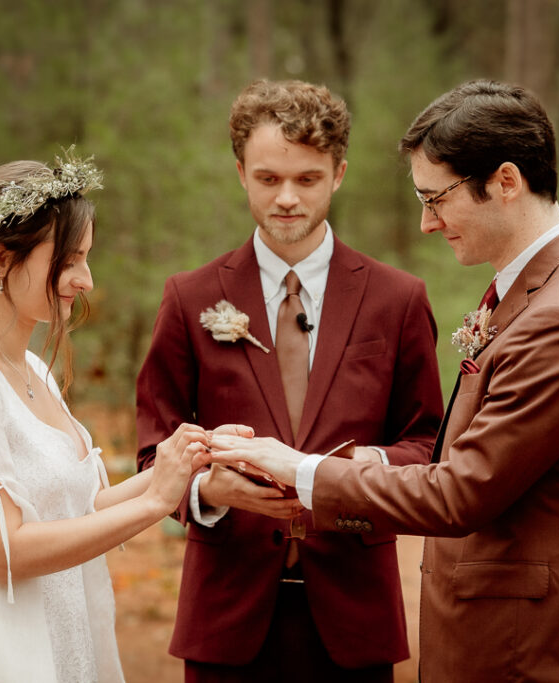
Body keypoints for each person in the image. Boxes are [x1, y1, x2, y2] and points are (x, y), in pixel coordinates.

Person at [209, 79, 559, 682]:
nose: (426, 224)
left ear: (506, 182)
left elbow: (458, 492)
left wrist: (297, 467)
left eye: (436, 199)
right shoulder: (539, 289)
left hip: (531, 651)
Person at [0, 151, 241, 682]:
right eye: (69, 261)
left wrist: (174, 467)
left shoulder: (31, 369)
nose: (85, 279)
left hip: (63, 635)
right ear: (1, 259)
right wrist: (158, 503)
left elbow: (80, 506)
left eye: (85, 259)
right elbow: (0, 551)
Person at [135, 80, 444, 681]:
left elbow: (428, 444)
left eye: (306, 178)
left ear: (339, 175)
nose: (287, 198)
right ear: (240, 174)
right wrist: (208, 491)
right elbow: (154, 452)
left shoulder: (399, 300)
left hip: (355, 617)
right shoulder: (189, 298)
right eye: (268, 178)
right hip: (225, 618)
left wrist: (344, 475)